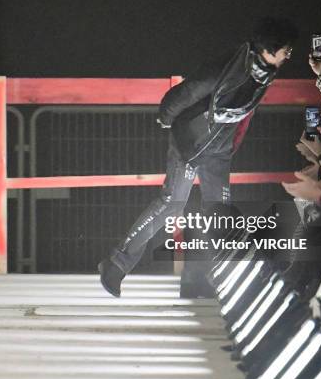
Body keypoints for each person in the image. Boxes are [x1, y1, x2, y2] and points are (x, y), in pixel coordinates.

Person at [99, 16, 298, 297]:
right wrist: (166, 118)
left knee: (219, 214)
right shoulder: (233, 65)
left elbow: (243, 112)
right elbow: (190, 89)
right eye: (286, 49)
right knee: (172, 204)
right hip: (191, 144)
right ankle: (116, 264)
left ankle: (199, 279)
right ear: (268, 49)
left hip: (219, 150)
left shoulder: (263, 72)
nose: (290, 55)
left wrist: (230, 145)